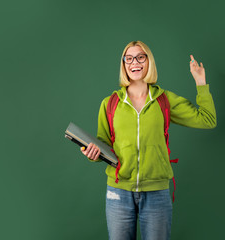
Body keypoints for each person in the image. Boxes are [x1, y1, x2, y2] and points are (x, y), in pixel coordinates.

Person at [80, 40, 217, 240]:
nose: (134, 62)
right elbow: (103, 146)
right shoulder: (109, 104)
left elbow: (208, 120)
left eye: (140, 57)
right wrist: (92, 154)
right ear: (124, 64)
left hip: (157, 193)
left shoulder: (164, 100)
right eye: (129, 58)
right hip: (118, 192)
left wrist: (200, 82)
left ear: (148, 61)